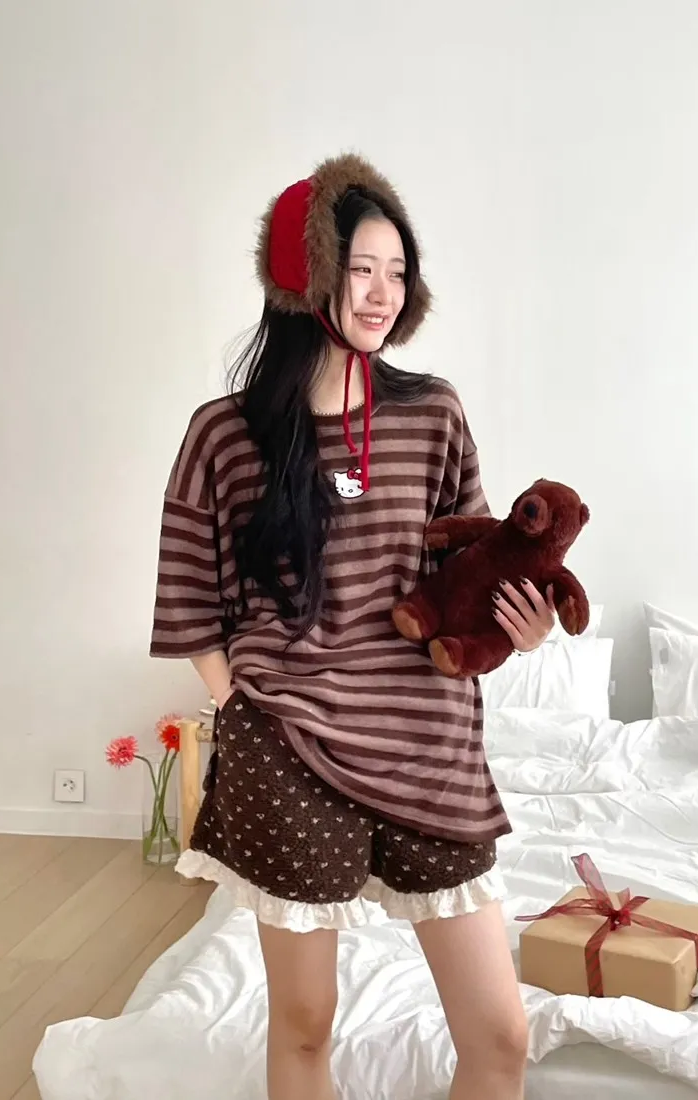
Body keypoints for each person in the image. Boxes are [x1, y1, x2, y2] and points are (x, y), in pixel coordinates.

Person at [150, 153, 556, 1100]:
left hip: (429, 746)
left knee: (500, 1037)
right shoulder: (226, 433)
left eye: (396, 272)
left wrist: (518, 631)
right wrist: (244, 707)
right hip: (290, 749)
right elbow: (188, 601)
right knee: (304, 1027)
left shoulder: (433, 412)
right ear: (306, 278)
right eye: (360, 269)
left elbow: (469, 570)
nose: (381, 293)